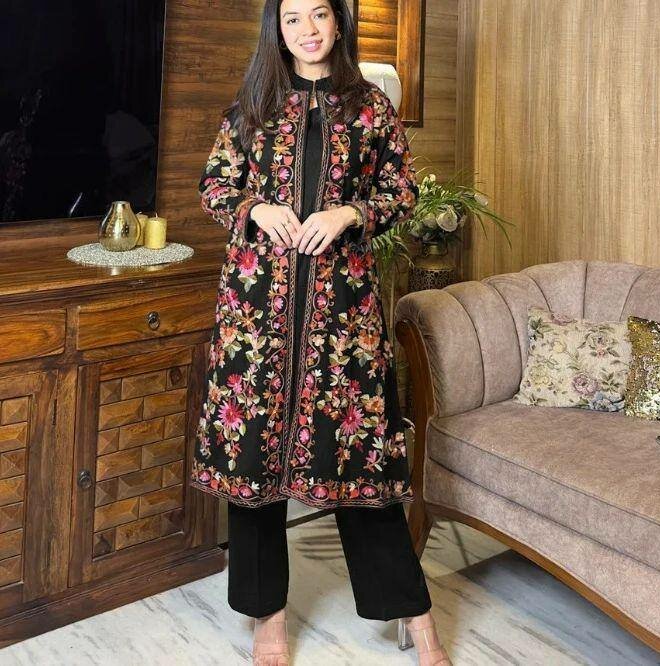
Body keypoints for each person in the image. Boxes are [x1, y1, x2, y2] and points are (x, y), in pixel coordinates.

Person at [189, 1, 452, 664]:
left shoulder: (371, 108)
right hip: (256, 317)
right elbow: (215, 186)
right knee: (253, 469)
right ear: (276, 29)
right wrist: (256, 207)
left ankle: (414, 615)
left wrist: (348, 214)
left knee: (363, 464)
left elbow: (402, 191)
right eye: (292, 18)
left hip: (343, 317)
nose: (306, 30)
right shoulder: (252, 106)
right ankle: (268, 620)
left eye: (318, 15)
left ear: (339, 23)